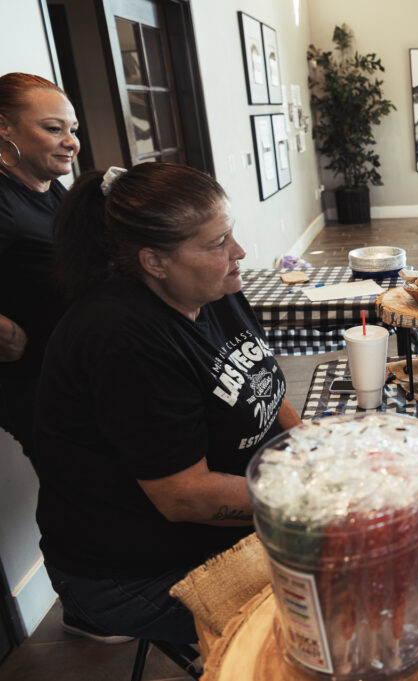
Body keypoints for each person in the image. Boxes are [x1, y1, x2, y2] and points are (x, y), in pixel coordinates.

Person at [34, 162, 301, 645]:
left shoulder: (210, 285)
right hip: (134, 571)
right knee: (327, 623)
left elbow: (265, 381)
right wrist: (313, 500)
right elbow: (185, 496)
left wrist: (312, 449)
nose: (239, 252)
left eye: (231, 234)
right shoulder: (121, 337)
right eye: (218, 243)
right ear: (154, 261)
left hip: (214, 530)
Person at [0, 73, 80, 467]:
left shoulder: (50, 187)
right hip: (37, 386)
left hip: (75, 371)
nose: (72, 142)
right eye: (54, 128)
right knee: (82, 500)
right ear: (4, 127)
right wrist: (5, 330)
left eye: (73, 129)